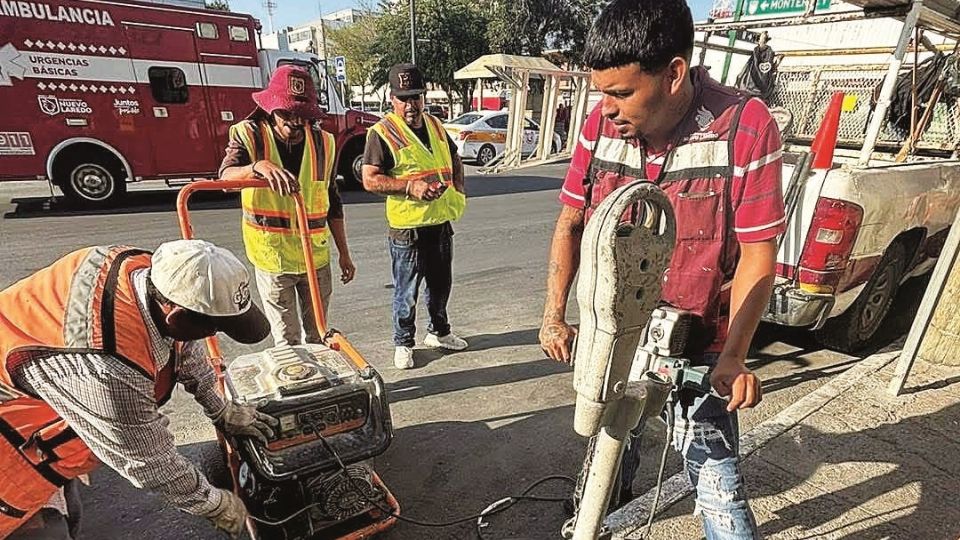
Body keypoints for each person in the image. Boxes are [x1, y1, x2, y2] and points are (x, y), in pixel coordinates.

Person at [539, 0, 785, 537]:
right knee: (603, 455)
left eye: (621, 93)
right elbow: (571, 224)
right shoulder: (597, 127)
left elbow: (757, 255)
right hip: (617, 334)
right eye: (600, 90)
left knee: (717, 483)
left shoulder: (745, 126)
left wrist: (734, 359)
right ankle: (596, 510)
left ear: (674, 74)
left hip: (699, 340)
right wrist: (554, 313)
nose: (605, 108)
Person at [0, 240, 278, 539]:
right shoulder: (107, 365)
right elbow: (147, 460)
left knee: (70, 503)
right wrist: (215, 504)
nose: (214, 335)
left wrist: (222, 410)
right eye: (215, 327)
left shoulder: (154, 275)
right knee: (44, 530)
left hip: (49, 389)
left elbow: (186, 348)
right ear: (177, 317)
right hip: (11, 449)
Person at [220, 64, 355, 347]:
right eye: (286, 113)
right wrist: (257, 167)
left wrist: (344, 253)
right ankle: (299, 387)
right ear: (270, 108)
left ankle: (322, 387)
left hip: (315, 258)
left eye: (302, 115)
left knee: (317, 334)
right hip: (274, 259)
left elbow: (333, 202)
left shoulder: (325, 143)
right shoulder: (249, 135)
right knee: (287, 340)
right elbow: (226, 178)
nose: (294, 122)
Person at [361, 64, 468, 369]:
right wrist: (410, 187)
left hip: (440, 223)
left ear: (423, 97)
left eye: (416, 97)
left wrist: (459, 188)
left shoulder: (434, 125)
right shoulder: (381, 133)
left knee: (441, 286)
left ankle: (439, 332)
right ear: (392, 99)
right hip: (407, 229)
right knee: (406, 292)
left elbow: (454, 157)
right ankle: (403, 341)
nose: (411, 105)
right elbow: (370, 179)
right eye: (403, 98)